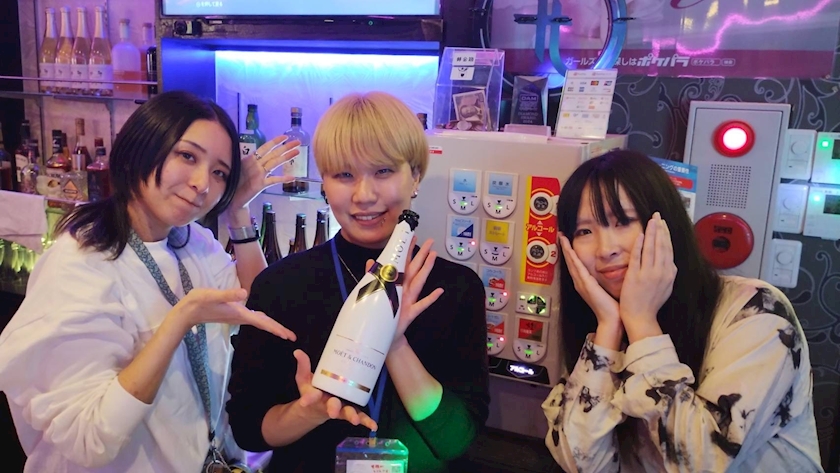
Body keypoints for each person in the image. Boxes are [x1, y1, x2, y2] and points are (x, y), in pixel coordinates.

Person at [0, 90, 303, 472]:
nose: (202, 183)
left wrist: (238, 211)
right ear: (141, 148)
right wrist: (181, 319)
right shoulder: (78, 265)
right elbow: (90, 440)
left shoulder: (191, 240)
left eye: (220, 173)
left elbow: (256, 305)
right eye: (188, 156)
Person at [226, 92, 490, 472]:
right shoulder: (280, 286)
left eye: (383, 171)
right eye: (344, 175)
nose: (364, 196)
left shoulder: (455, 289)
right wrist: (308, 411)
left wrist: (393, 342)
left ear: (415, 176)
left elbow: (455, 440)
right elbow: (248, 429)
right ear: (324, 183)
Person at [542, 149, 823, 472]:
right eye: (584, 232)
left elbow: (701, 463)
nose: (606, 249)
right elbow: (582, 464)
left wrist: (641, 322)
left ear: (666, 225)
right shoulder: (600, 321)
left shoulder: (756, 312)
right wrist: (609, 327)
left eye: (623, 221)